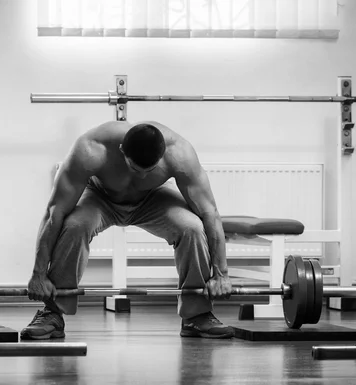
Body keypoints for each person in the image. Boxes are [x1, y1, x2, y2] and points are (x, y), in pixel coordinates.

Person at [20, 121, 234, 340]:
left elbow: (210, 213)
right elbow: (54, 212)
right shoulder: (91, 149)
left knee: (193, 228)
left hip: (152, 197)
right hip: (101, 196)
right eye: (134, 169)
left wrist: (221, 275)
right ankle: (52, 313)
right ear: (122, 150)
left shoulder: (180, 153)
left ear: (161, 156)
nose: (141, 176)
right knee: (75, 226)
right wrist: (38, 274)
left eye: (149, 171)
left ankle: (196, 315)